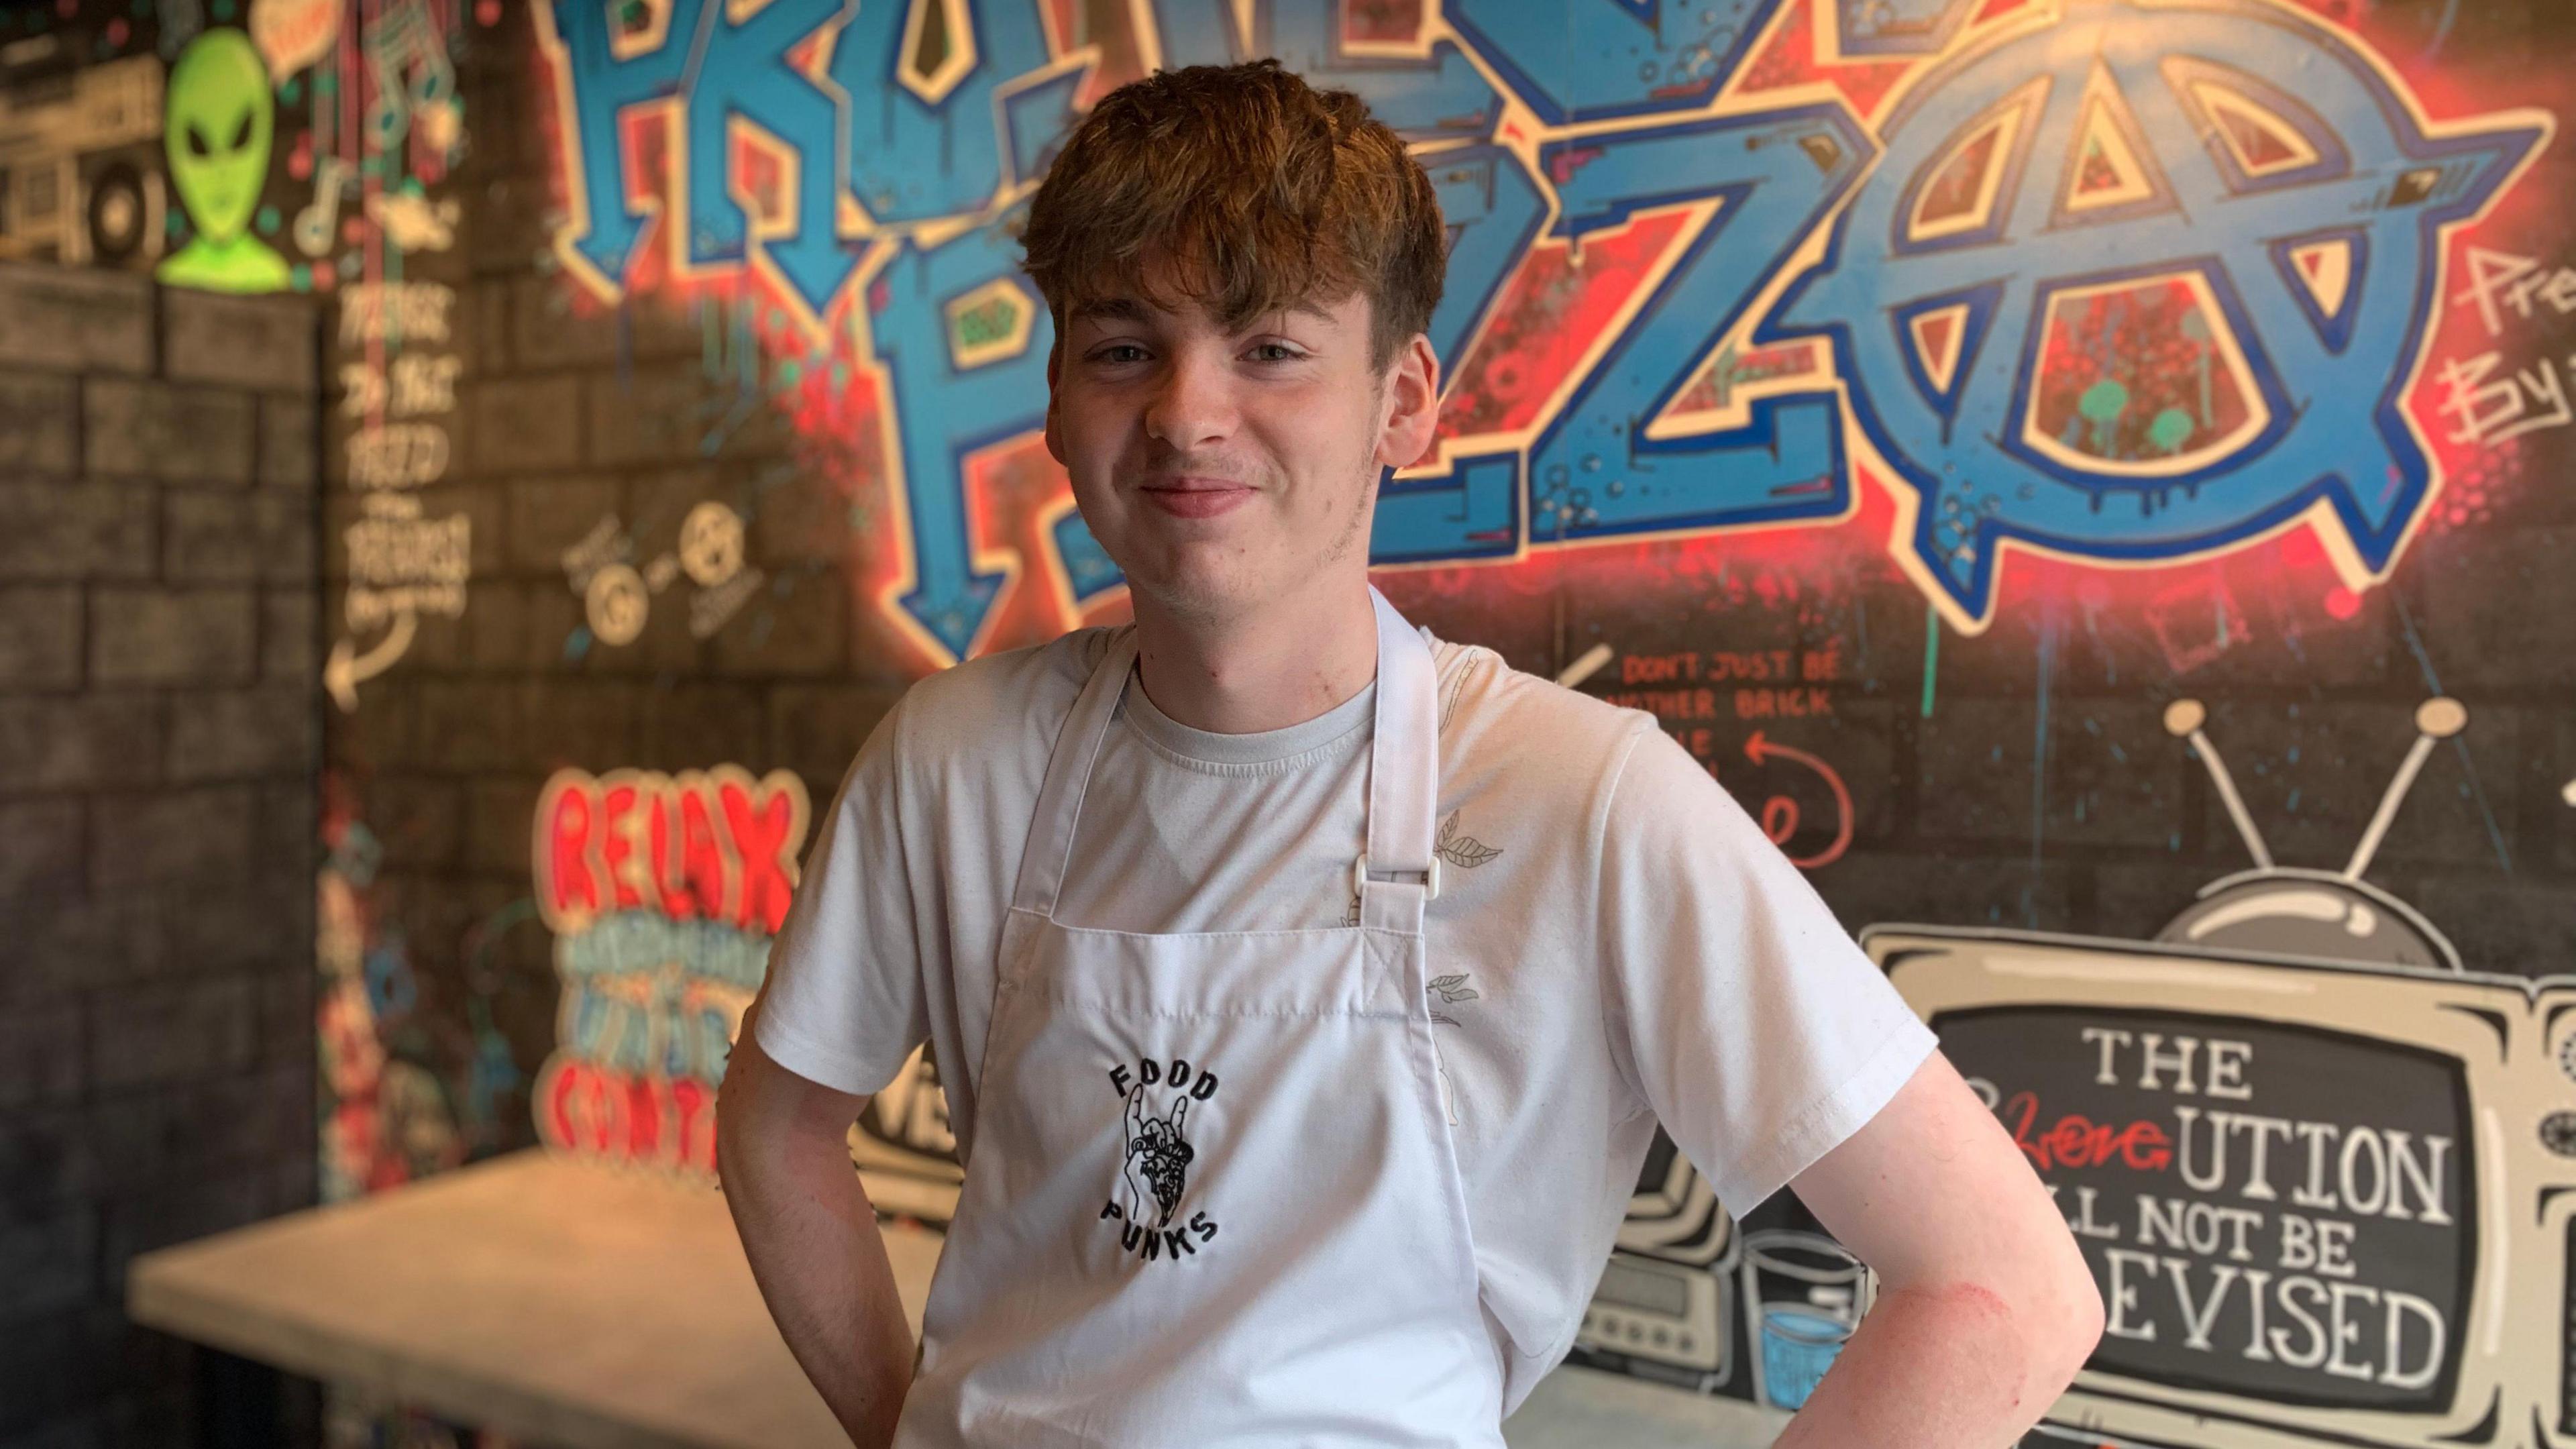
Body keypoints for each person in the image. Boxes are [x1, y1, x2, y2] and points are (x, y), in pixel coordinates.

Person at [716, 58, 2103, 1449]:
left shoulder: (1580, 800)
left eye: (1269, 349)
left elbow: (2003, 1288)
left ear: (1405, 400)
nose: (1187, 414)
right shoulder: (954, 760)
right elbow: (777, 1133)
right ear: (1060, 397)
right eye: (1125, 346)